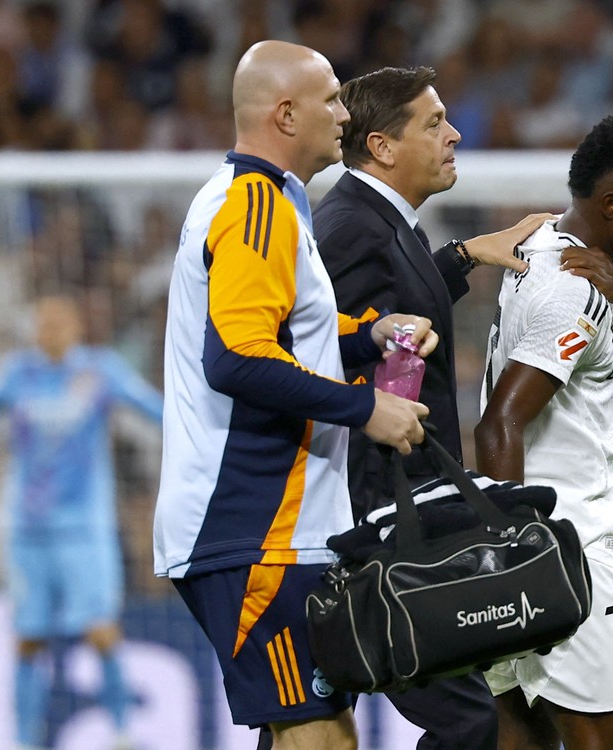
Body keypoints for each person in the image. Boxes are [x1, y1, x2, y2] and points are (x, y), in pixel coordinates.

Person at [152, 41, 437, 750]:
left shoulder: (275, 201)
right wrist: (368, 407)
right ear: (285, 114)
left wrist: (369, 337)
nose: (344, 114)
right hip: (255, 526)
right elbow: (241, 359)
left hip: (273, 526)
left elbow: (284, 337)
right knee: (324, 737)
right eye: (332, 99)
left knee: (305, 732)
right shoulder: (252, 204)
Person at [312, 64, 550, 750]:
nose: (454, 135)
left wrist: (466, 255)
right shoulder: (351, 226)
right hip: (379, 518)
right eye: (434, 122)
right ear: (383, 147)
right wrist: (379, 524)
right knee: (467, 721)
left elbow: (391, 323)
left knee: (312, 723)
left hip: (385, 512)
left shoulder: (380, 220)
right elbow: (340, 353)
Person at [475, 111, 613, 749]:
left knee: (524, 738)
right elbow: (497, 426)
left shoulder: (549, 253)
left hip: (530, 552)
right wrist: (519, 556)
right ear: (612, 204)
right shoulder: (575, 290)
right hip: (564, 557)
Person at [0, 293, 163, 750]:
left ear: (77, 327)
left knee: (101, 631)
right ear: (34, 328)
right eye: (44, 322)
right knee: (28, 640)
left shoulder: (99, 371)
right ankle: (24, 741)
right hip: (28, 532)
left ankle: (122, 732)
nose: (51, 330)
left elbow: (155, 410)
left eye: (60, 321)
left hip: (85, 529)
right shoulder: (17, 373)